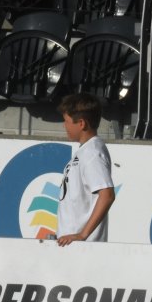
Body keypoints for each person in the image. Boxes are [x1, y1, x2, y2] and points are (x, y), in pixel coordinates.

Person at [56, 93, 116, 246]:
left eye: (66, 121)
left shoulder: (92, 153)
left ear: (81, 123)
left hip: (83, 248)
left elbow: (107, 195)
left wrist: (82, 235)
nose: (64, 126)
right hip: (72, 244)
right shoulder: (86, 151)